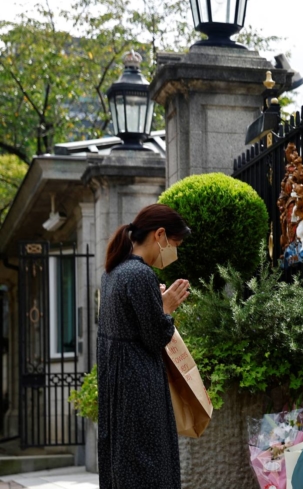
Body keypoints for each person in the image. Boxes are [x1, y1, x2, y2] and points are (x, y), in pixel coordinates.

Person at [97, 203, 191, 488]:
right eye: (174, 243)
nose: (173, 251)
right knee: (150, 467)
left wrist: (156, 304)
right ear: (159, 235)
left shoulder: (113, 273)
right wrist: (166, 308)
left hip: (117, 389)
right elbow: (155, 336)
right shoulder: (140, 275)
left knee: (124, 467)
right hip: (140, 390)